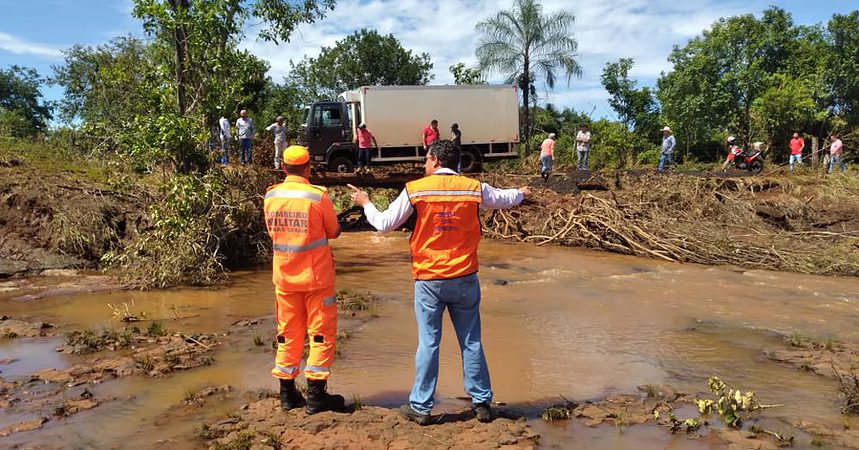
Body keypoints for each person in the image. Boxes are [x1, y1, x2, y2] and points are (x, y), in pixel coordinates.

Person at [348, 140, 530, 426]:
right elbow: (503, 198)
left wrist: (366, 202)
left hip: (430, 277)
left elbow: (384, 224)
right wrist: (521, 192)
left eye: (425, 160)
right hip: (465, 275)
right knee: (471, 341)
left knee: (429, 343)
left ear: (434, 160)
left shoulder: (416, 188)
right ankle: (482, 403)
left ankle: (421, 406)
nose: (423, 165)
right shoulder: (473, 188)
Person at [263, 145, 345, 415]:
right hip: (316, 278)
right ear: (309, 167)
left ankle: (287, 394)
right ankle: (317, 396)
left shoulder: (271, 195)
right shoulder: (317, 196)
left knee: (287, 335)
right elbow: (333, 230)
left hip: (285, 277)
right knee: (320, 334)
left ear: (284, 168)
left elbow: (272, 232)